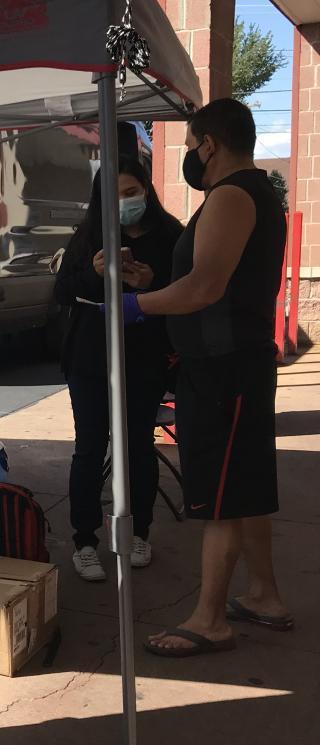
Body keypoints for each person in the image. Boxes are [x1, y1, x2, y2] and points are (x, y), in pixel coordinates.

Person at [114, 98, 292, 657]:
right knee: (246, 488)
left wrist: (134, 306)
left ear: (209, 144)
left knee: (221, 498)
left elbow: (205, 288)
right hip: (233, 363)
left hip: (223, 370)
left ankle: (210, 620)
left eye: (191, 145)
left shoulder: (232, 196)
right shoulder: (251, 193)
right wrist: (153, 283)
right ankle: (264, 595)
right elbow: (215, 281)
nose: (190, 155)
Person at [54, 157, 183, 580]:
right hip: (90, 358)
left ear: (146, 189)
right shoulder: (89, 235)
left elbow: (187, 292)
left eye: (131, 193)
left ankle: (139, 532)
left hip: (145, 359)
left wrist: (150, 285)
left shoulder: (171, 236)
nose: (125, 203)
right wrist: (94, 275)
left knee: (138, 447)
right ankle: (85, 541)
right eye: (114, 196)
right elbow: (62, 291)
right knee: (90, 448)